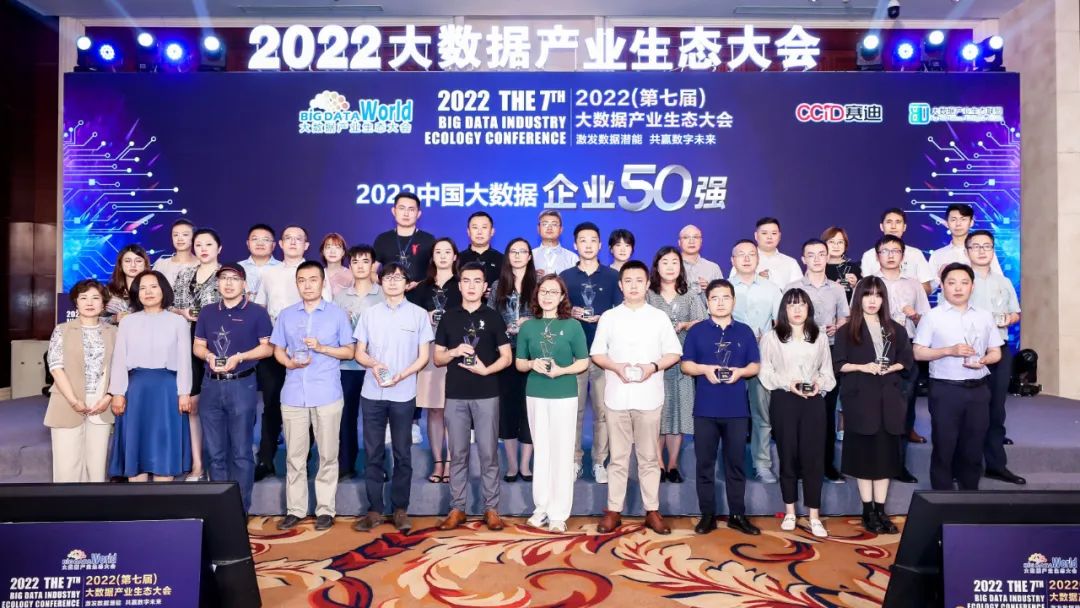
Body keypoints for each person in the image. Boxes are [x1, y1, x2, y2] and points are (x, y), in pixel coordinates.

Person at [590, 261, 682, 536]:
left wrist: (652, 367)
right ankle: (613, 510)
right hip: (617, 396)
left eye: (639, 281)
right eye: (628, 281)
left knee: (649, 457)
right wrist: (615, 367)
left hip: (649, 396)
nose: (633, 286)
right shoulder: (609, 317)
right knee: (618, 458)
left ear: (647, 284)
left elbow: (674, 353)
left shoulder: (659, 317)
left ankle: (652, 510)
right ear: (620, 285)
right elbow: (597, 353)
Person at [271, 261, 356, 531]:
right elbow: (277, 349)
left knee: (328, 454)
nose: (307, 285)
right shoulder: (286, 315)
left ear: (322, 282)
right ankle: (295, 509)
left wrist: (322, 348)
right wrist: (288, 362)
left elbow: (349, 351)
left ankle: (325, 509)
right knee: (294, 456)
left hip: (327, 392)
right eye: (302, 280)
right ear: (296, 284)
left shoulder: (336, 314)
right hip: (294, 393)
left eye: (313, 279)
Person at [352, 262, 433, 534]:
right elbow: (359, 352)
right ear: (380, 281)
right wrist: (373, 365)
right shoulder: (369, 313)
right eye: (388, 277)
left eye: (399, 278)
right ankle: (374, 510)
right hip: (372, 392)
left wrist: (402, 375)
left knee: (402, 453)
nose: (393, 281)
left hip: (403, 393)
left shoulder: (418, 315)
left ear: (407, 284)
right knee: (373, 452)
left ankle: (400, 509)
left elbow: (423, 357)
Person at [435, 262, 513, 531]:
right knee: (458, 454)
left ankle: (491, 509)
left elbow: (507, 357)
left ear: (485, 287)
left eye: (477, 281)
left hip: (486, 394)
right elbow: (437, 358)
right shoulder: (449, 317)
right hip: (456, 395)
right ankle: (457, 508)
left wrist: (486, 370)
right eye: (466, 281)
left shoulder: (493, 317)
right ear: (459, 285)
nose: (471, 286)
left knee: (489, 453)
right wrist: (454, 352)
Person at [681, 279, 761, 536]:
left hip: (736, 410)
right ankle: (708, 515)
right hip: (705, 409)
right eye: (714, 298)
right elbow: (686, 365)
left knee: (735, 464)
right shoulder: (697, 332)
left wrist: (740, 372)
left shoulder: (745, 331)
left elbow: (755, 365)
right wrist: (705, 369)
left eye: (725, 297)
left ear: (733, 301)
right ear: (707, 303)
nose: (720, 302)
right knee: (704, 464)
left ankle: (738, 514)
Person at [833, 277, 913, 534]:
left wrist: (892, 367)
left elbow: (907, 360)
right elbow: (838, 364)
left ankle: (881, 510)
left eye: (878, 295)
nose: (872, 300)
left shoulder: (896, 329)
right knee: (864, 460)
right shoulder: (847, 330)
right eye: (868, 295)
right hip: (860, 400)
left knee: (885, 460)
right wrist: (863, 367)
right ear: (859, 298)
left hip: (889, 401)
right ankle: (867, 510)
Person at [192, 263, 274, 512]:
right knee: (214, 452)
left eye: (234, 278)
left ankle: (240, 510)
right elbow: (198, 346)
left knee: (241, 451)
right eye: (224, 278)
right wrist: (208, 356)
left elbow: (268, 348)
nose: (228, 283)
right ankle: (219, 510)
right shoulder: (207, 312)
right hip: (211, 385)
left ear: (244, 284)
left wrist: (240, 357)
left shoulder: (257, 312)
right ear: (217, 283)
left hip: (242, 384)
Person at [914, 263, 1003, 491]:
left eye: (964, 283)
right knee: (944, 447)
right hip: (946, 390)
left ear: (972, 286)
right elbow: (918, 352)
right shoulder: (932, 317)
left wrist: (985, 360)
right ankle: (942, 500)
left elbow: (996, 351)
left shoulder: (984, 316)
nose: (958, 288)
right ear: (942, 286)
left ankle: (969, 498)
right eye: (951, 283)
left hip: (979, 390)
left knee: (974, 448)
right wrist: (948, 351)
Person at [252, 224, 331, 481]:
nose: (293, 242)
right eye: (288, 238)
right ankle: (266, 459)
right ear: (281, 244)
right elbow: (260, 309)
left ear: (307, 245)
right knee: (272, 405)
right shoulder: (269, 274)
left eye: (299, 239)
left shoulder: (316, 272)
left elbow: (327, 309)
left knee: (307, 406)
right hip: (276, 348)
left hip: (308, 350)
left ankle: (303, 460)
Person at [758, 288, 836, 538]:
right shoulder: (772, 337)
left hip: (813, 401)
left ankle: (814, 515)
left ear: (808, 308)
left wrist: (818, 384)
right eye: (792, 305)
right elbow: (765, 372)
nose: (797, 309)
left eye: (802, 304)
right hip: (784, 400)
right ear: (784, 309)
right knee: (788, 454)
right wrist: (787, 383)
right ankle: (790, 511)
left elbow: (828, 372)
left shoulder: (819, 336)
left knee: (814, 458)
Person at [516, 275, 589, 533]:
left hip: (564, 394)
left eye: (553, 292)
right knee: (542, 451)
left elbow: (584, 361)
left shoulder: (572, 326)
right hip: (536, 393)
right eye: (543, 291)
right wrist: (532, 364)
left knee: (562, 452)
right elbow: (519, 363)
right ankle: (542, 508)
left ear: (562, 297)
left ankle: (559, 513)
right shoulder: (528, 327)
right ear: (537, 295)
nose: (547, 296)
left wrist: (562, 370)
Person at [108, 270, 193, 482]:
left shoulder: (178, 322)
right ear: (137, 294)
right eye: (143, 288)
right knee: (136, 447)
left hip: (167, 391)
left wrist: (184, 392)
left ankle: (163, 501)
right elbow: (119, 359)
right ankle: (138, 500)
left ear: (163, 290)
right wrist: (117, 392)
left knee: (165, 447)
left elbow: (184, 360)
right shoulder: (127, 322)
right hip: (136, 390)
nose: (148, 292)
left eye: (153, 287)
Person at [559, 222, 622, 482]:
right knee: (574, 412)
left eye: (593, 240)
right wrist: (569, 311)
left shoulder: (612, 276)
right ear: (575, 245)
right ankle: (574, 460)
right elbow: (554, 311)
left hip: (603, 355)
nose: (588, 245)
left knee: (603, 412)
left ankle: (599, 461)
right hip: (573, 355)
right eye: (582, 240)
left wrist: (604, 317)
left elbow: (621, 313)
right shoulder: (565, 276)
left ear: (600, 245)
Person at [786, 239, 850, 483]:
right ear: (803, 259)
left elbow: (845, 317)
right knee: (799, 410)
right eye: (811, 255)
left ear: (827, 257)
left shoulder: (836, 288)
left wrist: (838, 326)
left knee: (826, 410)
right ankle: (799, 465)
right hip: (799, 352)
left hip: (829, 352)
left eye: (821, 254)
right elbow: (783, 319)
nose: (816, 259)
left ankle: (826, 464)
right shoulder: (792, 288)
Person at [44, 279, 117, 483]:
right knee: (66, 466)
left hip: (101, 404)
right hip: (67, 401)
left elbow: (120, 369)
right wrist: (74, 400)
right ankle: (66, 503)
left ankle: (93, 503)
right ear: (76, 302)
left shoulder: (114, 332)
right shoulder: (62, 329)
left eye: (95, 298)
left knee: (96, 467)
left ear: (104, 303)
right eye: (83, 298)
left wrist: (108, 397)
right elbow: (55, 366)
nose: (89, 302)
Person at [872, 235, 932, 482]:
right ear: (877, 255)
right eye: (885, 251)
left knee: (904, 408)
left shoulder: (914, 285)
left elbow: (926, 321)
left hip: (906, 348)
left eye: (895, 251)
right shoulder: (869, 283)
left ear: (903, 256)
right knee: (874, 409)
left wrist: (914, 315)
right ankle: (875, 464)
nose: (890, 255)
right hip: (875, 349)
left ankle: (898, 465)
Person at [967, 230, 1024, 485]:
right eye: (976, 246)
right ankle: (966, 466)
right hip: (969, 351)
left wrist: (1009, 318)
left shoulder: (1004, 282)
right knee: (969, 410)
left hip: (999, 349)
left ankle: (996, 465)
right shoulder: (961, 280)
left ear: (993, 250)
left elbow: (1015, 313)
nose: (982, 251)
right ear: (967, 251)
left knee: (996, 409)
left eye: (987, 246)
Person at [646, 246, 706, 483]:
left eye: (674, 262)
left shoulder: (689, 294)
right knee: (658, 415)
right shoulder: (649, 295)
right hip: (654, 364)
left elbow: (703, 322)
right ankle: (658, 464)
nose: (670, 267)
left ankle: (672, 464)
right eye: (665, 262)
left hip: (682, 363)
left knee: (678, 415)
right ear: (656, 267)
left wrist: (685, 325)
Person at [408, 237, 462, 484]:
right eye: (438, 252)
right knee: (434, 409)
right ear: (432, 257)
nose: (442, 256)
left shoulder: (462, 284)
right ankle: (438, 461)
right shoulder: (422, 288)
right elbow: (411, 319)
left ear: (455, 256)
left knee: (454, 409)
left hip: (456, 351)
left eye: (447, 252)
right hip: (430, 352)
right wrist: (425, 316)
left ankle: (452, 461)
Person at [172, 227, 223, 481]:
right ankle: (197, 465)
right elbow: (171, 306)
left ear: (219, 248)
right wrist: (184, 313)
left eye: (209, 244)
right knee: (192, 406)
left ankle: (218, 466)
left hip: (219, 342)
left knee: (216, 407)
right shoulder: (184, 274)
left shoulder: (227, 275)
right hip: (186, 339)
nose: (203, 249)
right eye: (199, 245)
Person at [729, 240, 783, 483]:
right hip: (729, 359)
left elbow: (781, 324)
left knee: (762, 414)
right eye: (741, 254)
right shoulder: (725, 288)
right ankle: (731, 464)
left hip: (761, 358)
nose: (747, 258)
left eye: (751, 254)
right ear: (732, 260)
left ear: (758, 259)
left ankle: (762, 464)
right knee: (731, 415)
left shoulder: (771, 289)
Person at [333, 244, 384, 480]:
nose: (360, 266)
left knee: (376, 419)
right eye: (355, 262)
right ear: (349, 265)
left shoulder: (384, 294)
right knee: (346, 417)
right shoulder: (340, 297)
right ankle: (346, 464)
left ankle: (377, 466)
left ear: (373, 265)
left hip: (376, 366)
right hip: (347, 367)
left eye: (365, 261)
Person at [488, 238, 537, 482]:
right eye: (513, 251)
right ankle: (511, 464)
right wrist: (502, 328)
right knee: (507, 410)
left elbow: (548, 314)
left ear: (529, 256)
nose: (517, 255)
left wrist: (530, 321)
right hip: (505, 354)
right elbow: (489, 317)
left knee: (529, 410)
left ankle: (526, 465)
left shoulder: (538, 284)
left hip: (532, 354)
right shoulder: (498, 285)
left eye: (522, 251)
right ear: (507, 256)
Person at [860, 208, 935, 294]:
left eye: (898, 222)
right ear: (881, 226)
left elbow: (927, 288)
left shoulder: (915, 254)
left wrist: (906, 293)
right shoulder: (869, 255)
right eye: (889, 222)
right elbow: (865, 289)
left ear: (904, 227)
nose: (893, 227)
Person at [928, 204, 1003, 289]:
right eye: (953, 220)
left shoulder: (984, 252)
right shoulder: (937, 255)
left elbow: (1001, 283)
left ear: (971, 223)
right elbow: (927, 290)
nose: (958, 224)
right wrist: (939, 276)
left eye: (963, 219)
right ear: (947, 223)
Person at [373, 192, 436, 289]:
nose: (406, 214)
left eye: (411, 209)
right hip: (389, 294)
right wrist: (385, 282)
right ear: (394, 211)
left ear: (418, 214)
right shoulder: (383, 239)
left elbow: (437, 272)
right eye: (402, 208)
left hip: (421, 294)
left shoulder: (429, 240)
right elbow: (371, 271)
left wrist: (419, 284)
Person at [743, 217, 802, 290]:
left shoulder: (791, 263)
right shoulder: (743, 261)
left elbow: (799, 292)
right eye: (764, 233)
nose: (769, 237)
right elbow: (733, 289)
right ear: (756, 236)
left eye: (774, 233)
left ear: (779, 236)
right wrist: (755, 280)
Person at [105, 245, 151, 324]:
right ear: (120, 264)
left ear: (145, 264)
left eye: (138, 261)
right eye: (127, 261)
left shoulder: (153, 290)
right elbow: (94, 319)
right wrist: (115, 318)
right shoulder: (109, 291)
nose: (133, 265)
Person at [458, 211, 503, 284]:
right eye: (475, 227)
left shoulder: (502, 260)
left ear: (492, 231)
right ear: (468, 231)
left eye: (484, 227)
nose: (479, 232)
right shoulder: (458, 259)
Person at [239, 223, 282, 300]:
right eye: (255, 239)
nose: (260, 243)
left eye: (265, 240)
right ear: (248, 244)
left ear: (273, 245)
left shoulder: (282, 268)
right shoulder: (237, 268)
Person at [679, 224, 723, 297]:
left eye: (695, 237)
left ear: (701, 241)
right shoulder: (671, 267)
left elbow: (722, 296)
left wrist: (710, 290)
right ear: (679, 242)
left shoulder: (713, 268)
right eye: (686, 237)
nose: (691, 241)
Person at [152, 218, 197, 287]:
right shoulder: (161, 265)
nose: (179, 239)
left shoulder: (202, 264)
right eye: (175, 235)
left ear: (194, 237)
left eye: (185, 234)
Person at [822, 226, 862, 301]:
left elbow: (864, 296)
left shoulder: (854, 268)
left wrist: (855, 286)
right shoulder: (819, 268)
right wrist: (834, 288)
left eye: (840, 242)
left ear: (845, 245)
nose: (836, 246)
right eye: (831, 242)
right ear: (824, 245)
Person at [534, 210, 579, 276]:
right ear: (538, 229)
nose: (549, 228)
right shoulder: (530, 256)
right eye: (545, 224)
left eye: (554, 224)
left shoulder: (572, 258)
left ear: (561, 229)